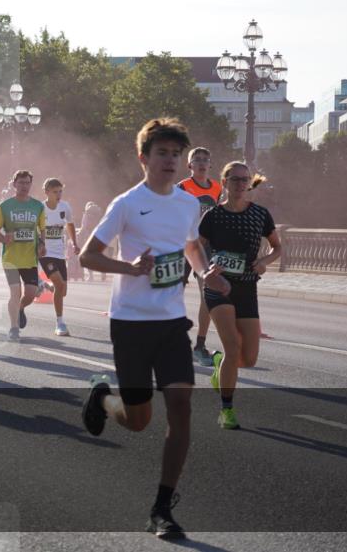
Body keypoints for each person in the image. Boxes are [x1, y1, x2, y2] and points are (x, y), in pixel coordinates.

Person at [79, 118, 230, 540]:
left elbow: (191, 245)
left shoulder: (187, 204)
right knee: (138, 420)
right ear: (143, 158)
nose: (170, 160)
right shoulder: (126, 204)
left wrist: (204, 272)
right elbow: (88, 255)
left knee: (181, 405)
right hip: (130, 322)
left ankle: (162, 508)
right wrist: (128, 267)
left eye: (175, 154)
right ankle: (103, 398)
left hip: (170, 322)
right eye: (162, 153)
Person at [199, 163, 281, 430]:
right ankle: (227, 410)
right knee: (233, 347)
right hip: (218, 287)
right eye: (234, 179)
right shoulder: (213, 216)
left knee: (248, 358)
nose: (240, 184)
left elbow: (277, 247)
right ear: (224, 182)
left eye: (244, 180)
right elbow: (194, 248)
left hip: (247, 288)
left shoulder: (260, 214)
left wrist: (264, 262)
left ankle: (218, 362)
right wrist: (206, 270)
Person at [177, 147, 223, 366]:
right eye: (197, 160)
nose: (202, 163)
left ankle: (199, 346)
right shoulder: (182, 187)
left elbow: (218, 218)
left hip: (205, 248)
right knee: (172, 295)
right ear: (190, 165)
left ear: (210, 164)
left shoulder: (217, 188)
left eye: (206, 159)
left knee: (209, 295)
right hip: (181, 246)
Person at [0, 170, 46, 341]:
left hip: (29, 258)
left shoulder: (38, 206)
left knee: (30, 294)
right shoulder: (5, 206)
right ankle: (14, 328)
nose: (24, 186)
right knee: (15, 292)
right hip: (11, 259)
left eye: (27, 182)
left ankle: (20, 308)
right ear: (14, 184)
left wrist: (42, 244)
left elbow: (42, 229)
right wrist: (3, 239)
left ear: (31, 184)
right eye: (21, 182)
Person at [40, 178, 79, 336]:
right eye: (55, 192)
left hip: (59, 253)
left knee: (62, 291)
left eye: (60, 191)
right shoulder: (40, 208)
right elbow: (34, 228)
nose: (58, 195)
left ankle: (44, 285)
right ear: (46, 192)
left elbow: (70, 224)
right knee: (59, 283)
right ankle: (60, 323)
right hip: (45, 253)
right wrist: (39, 245)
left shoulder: (65, 206)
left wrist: (74, 243)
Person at [75, 201, 104, 282]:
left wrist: (78, 233)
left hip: (88, 236)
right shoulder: (98, 214)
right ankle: (103, 272)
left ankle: (91, 276)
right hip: (98, 236)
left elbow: (84, 227)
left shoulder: (86, 214)